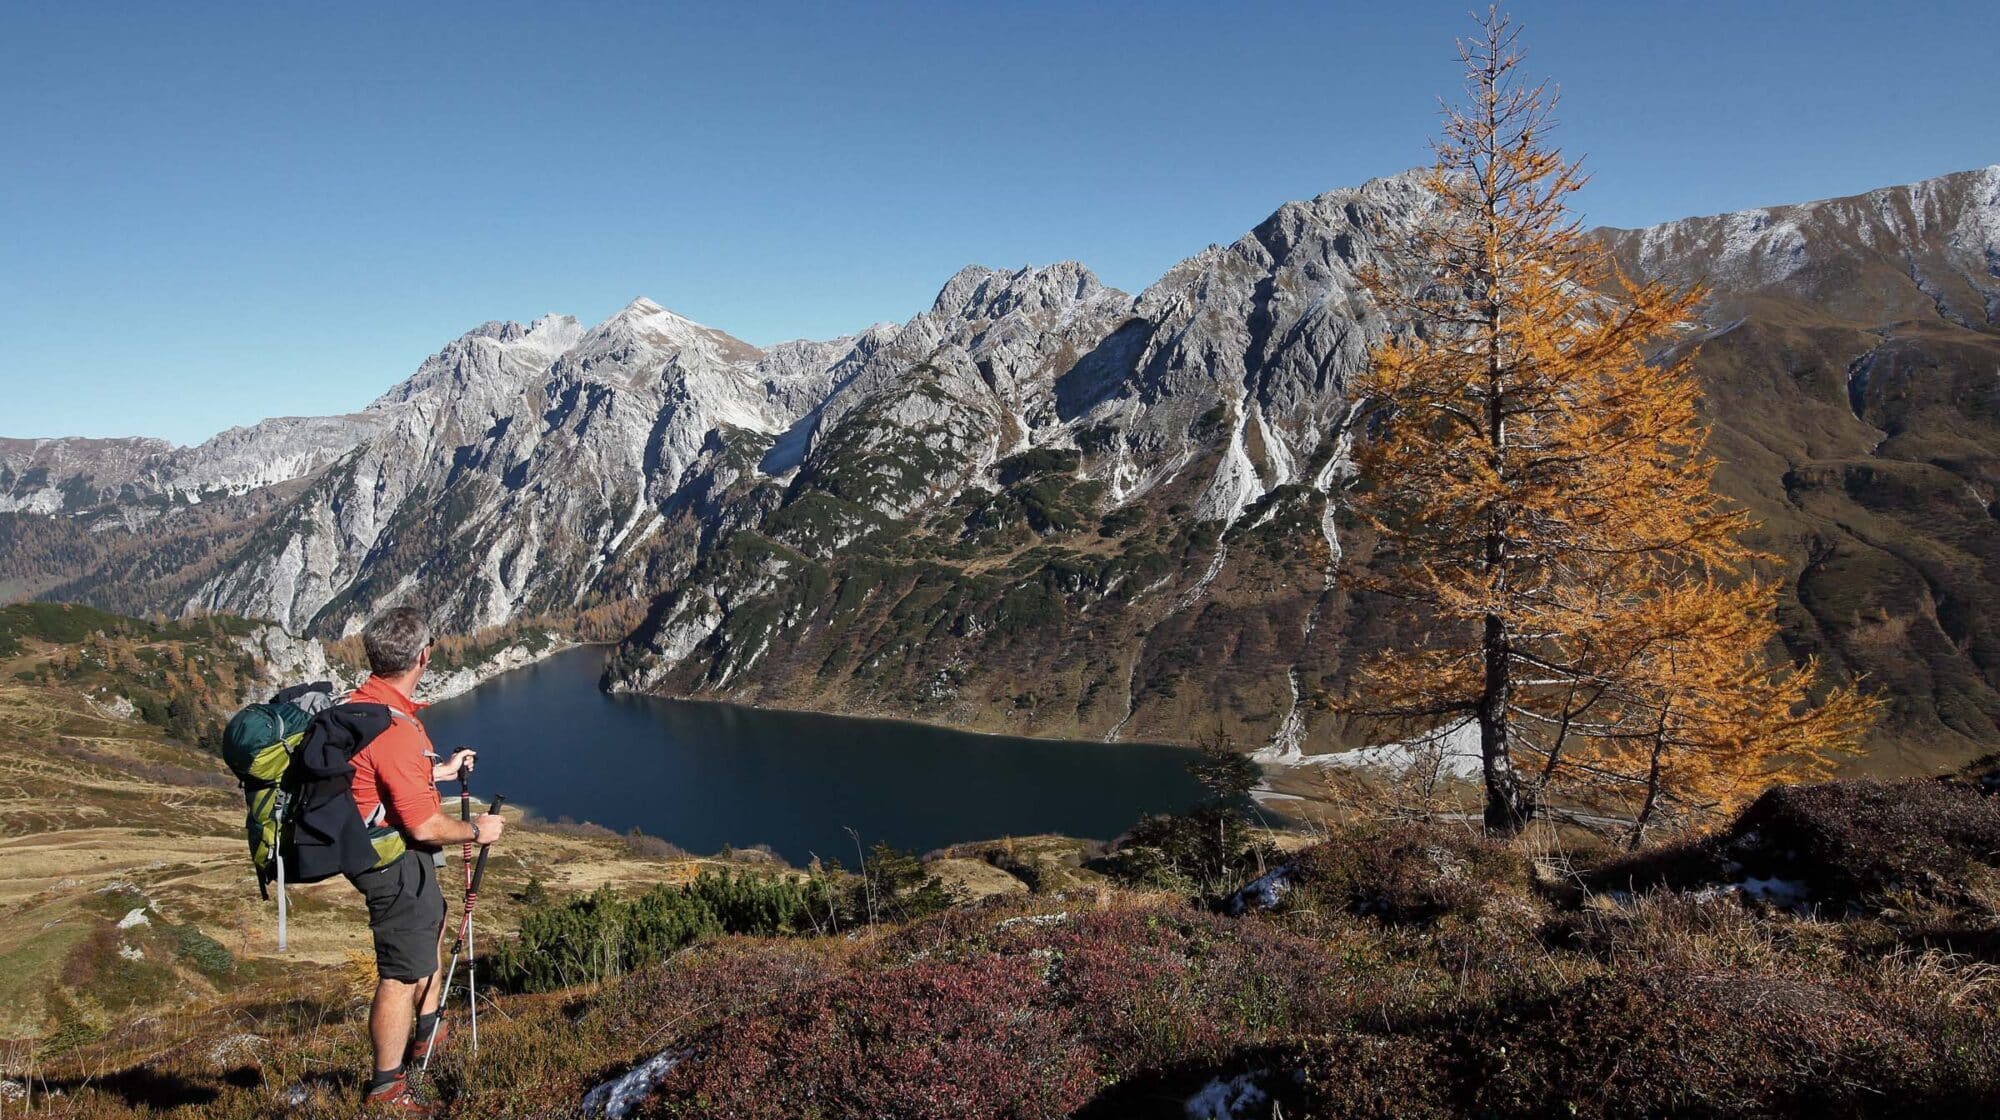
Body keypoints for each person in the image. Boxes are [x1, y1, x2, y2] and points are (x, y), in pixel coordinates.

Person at [347, 606, 503, 1113]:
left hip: (395, 855)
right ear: (422, 656)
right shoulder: (393, 729)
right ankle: (386, 1090)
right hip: (393, 863)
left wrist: (442, 770)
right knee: (399, 972)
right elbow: (423, 825)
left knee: (427, 938)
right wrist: (477, 831)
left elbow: (389, 777)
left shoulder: (368, 704)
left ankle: (427, 1040)